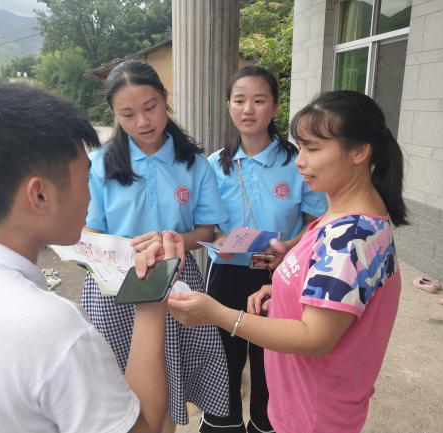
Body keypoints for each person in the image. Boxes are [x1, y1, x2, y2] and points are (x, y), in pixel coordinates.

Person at [0, 82, 183, 433]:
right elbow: (144, 427)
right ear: (40, 195)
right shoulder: (54, 331)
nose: (89, 196)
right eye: (85, 177)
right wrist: (152, 299)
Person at [168, 90, 407, 433]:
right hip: (303, 402)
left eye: (313, 148)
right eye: (301, 147)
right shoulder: (343, 216)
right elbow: (334, 288)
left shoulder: (351, 237)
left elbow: (314, 337)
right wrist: (281, 291)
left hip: (313, 414)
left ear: (358, 151)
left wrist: (216, 313)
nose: (299, 161)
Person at [81, 60, 230, 432]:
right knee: (116, 383)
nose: (143, 122)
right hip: (115, 284)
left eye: (150, 108)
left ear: (165, 100)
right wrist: (125, 247)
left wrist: (172, 240)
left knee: (168, 378)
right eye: (128, 114)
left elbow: (207, 230)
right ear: (114, 115)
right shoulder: (100, 164)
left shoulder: (194, 164)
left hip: (173, 279)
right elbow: (89, 229)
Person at [202, 66, 327, 433]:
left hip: (278, 275)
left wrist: (291, 247)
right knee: (223, 356)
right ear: (228, 105)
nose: (248, 109)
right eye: (239, 100)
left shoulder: (296, 163)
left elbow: (317, 222)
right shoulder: (215, 164)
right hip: (225, 273)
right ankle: (221, 424)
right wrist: (218, 239)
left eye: (259, 100)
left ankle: (265, 424)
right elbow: (207, 223)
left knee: (271, 360)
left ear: (275, 107)